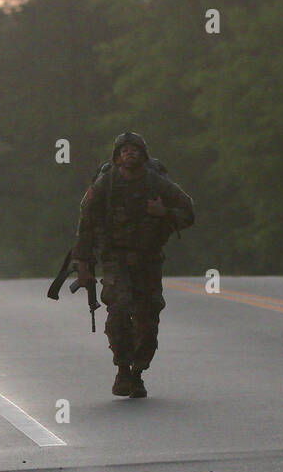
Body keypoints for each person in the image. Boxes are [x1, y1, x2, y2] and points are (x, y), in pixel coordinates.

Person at [72, 132, 195, 397]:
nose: (130, 153)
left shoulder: (157, 184)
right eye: (125, 150)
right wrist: (83, 265)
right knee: (118, 310)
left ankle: (137, 372)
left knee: (148, 318)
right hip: (115, 260)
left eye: (135, 149)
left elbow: (188, 211)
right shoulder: (106, 184)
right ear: (117, 156)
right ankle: (123, 369)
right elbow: (86, 225)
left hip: (148, 260)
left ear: (144, 155)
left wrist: (165, 213)